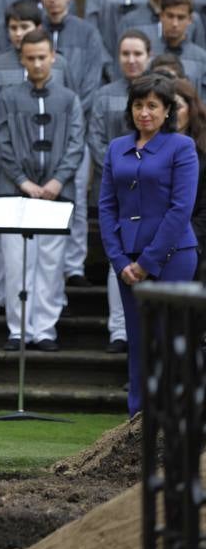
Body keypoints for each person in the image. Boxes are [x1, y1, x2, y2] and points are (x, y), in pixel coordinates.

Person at [99, 72, 198, 417]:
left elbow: (181, 209)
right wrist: (119, 260)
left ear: (168, 110)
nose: (145, 112)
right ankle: (137, 421)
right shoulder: (116, 148)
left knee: (168, 340)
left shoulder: (182, 147)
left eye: (153, 106)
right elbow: (107, 206)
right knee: (138, 342)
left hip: (173, 258)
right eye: (139, 105)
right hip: (127, 262)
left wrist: (147, 262)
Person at [0, 28, 84, 350]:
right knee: (16, 262)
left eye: (42, 57)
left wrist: (57, 180)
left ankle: (45, 328)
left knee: (50, 262)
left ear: (53, 57)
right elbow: (0, 142)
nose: (37, 63)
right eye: (30, 58)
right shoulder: (8, 97)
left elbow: (76, 142)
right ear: (22, 59)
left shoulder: (69, 99)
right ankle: (19, 329)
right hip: (16, 193)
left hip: (56, 194)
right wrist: (24, 182)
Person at [38, 0, 103, 288]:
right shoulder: (35, 32)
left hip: (79, 129)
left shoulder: (87, 32)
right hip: (40, 131)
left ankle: (74, 265)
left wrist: (73, 114)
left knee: (76, 194)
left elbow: (91, 81)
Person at [88, 28, 151, 353]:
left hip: (152, 193)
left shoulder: (157, 96)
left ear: (148, 56)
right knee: (119, 257)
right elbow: (96, 138)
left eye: (137, 54)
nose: (131, 60)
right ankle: (119, 330)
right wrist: (121, 170)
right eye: (125, 54)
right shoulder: (104, 94)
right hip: (115, 189)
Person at [147, 0, 206, 98]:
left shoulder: (202, 59)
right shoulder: (148, 53)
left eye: (181, 17)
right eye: (170, 16)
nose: (175, 23)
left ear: (190, 19)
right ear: (161, 16)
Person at [174, 78, 206, 268]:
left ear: (191, 108)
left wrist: (183, 242)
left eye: (177, 107)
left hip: (194, 246)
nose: (170, 114)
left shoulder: (203, 151)